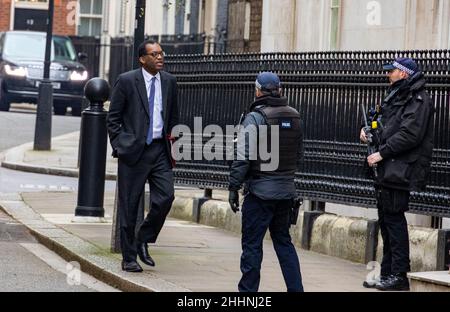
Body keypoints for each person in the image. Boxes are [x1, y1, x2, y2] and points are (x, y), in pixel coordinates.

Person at [360, 57, 434, 291]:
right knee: (386, 219)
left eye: (391, 71)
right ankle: (388, 272)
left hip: (401, 167)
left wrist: (382, 153)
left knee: (394, 220)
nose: (388, 75)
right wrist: (367, 131)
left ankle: (399, 275)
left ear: (403, 73)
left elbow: (410, 134)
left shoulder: (418, 99)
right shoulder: (397, 94)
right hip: (388, 166)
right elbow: (383, 124)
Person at [228, 72, 304, 292]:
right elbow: (299, 155)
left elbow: (242, 157)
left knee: (252, 246)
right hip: (286, 192)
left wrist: (233, 187)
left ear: (258, 90)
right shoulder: (295, 116)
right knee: (284, 242)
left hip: (260, 193)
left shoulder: (255, 117)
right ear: (279, 89)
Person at [107, 40, 179, 272]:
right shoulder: (127, 80)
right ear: (142, 59)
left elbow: (173, 118)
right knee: (129, 206)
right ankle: (129, 258)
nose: (160, 58)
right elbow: (113, 118)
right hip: (134, 152)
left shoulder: (169, 81)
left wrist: (173, 146)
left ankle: (143, 238)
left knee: (166, 197)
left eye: (161, 54)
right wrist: (120, 145)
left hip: (159, 150)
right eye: (154, 54)